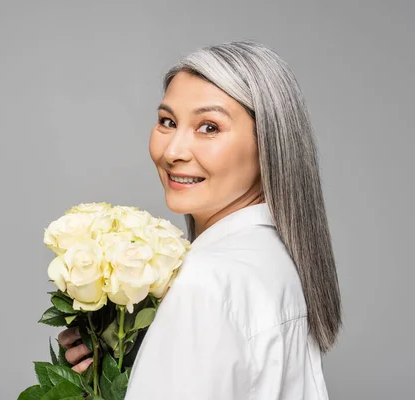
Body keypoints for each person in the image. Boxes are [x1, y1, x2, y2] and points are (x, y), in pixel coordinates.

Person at [57, 40, 342, 399]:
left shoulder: (205, 282)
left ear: (269, 143)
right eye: (167, 122)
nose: (173, 151)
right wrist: (128, 363)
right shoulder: (276, 262)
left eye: (209, 127)